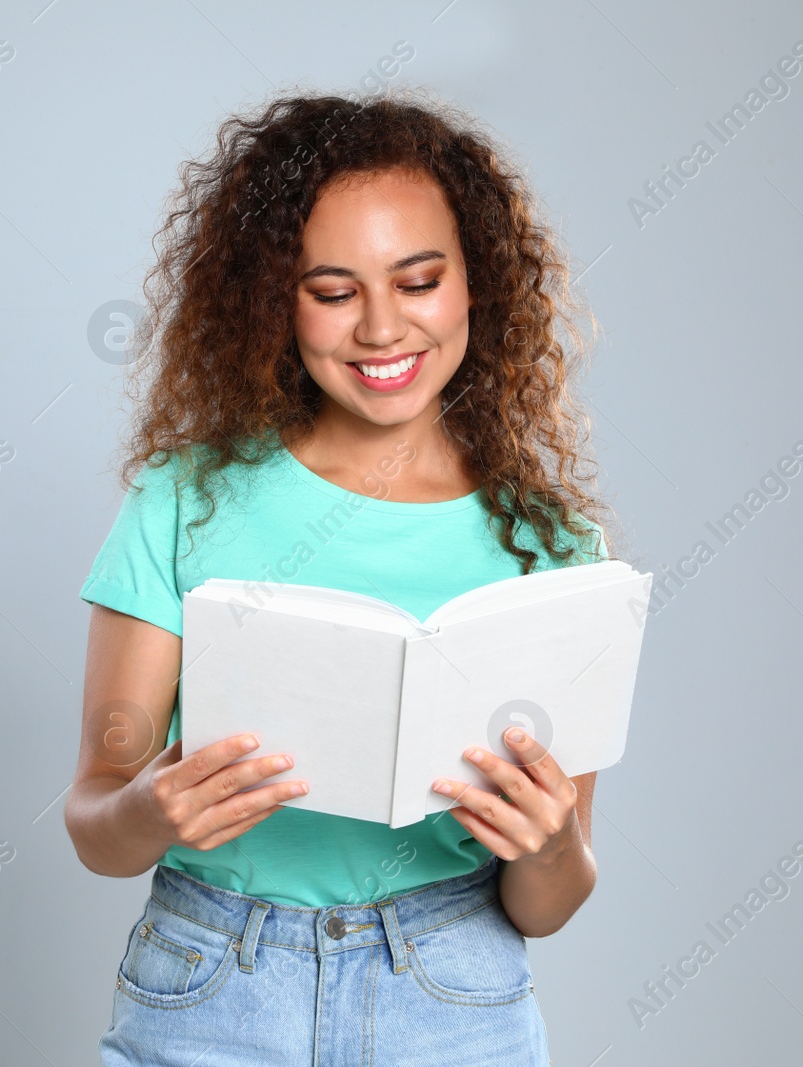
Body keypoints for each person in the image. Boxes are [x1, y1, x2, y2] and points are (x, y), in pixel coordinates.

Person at [69, 87, 619, 1065]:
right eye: (331, 291)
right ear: (272, 302)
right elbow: (96, 819)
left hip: (452, 990)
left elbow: (549, 902)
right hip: (210, 981)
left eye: (417, 281)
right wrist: (152, 807)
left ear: (474, 283)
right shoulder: (182, 502)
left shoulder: (551, 544)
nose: (379, 327)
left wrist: (546, 846)